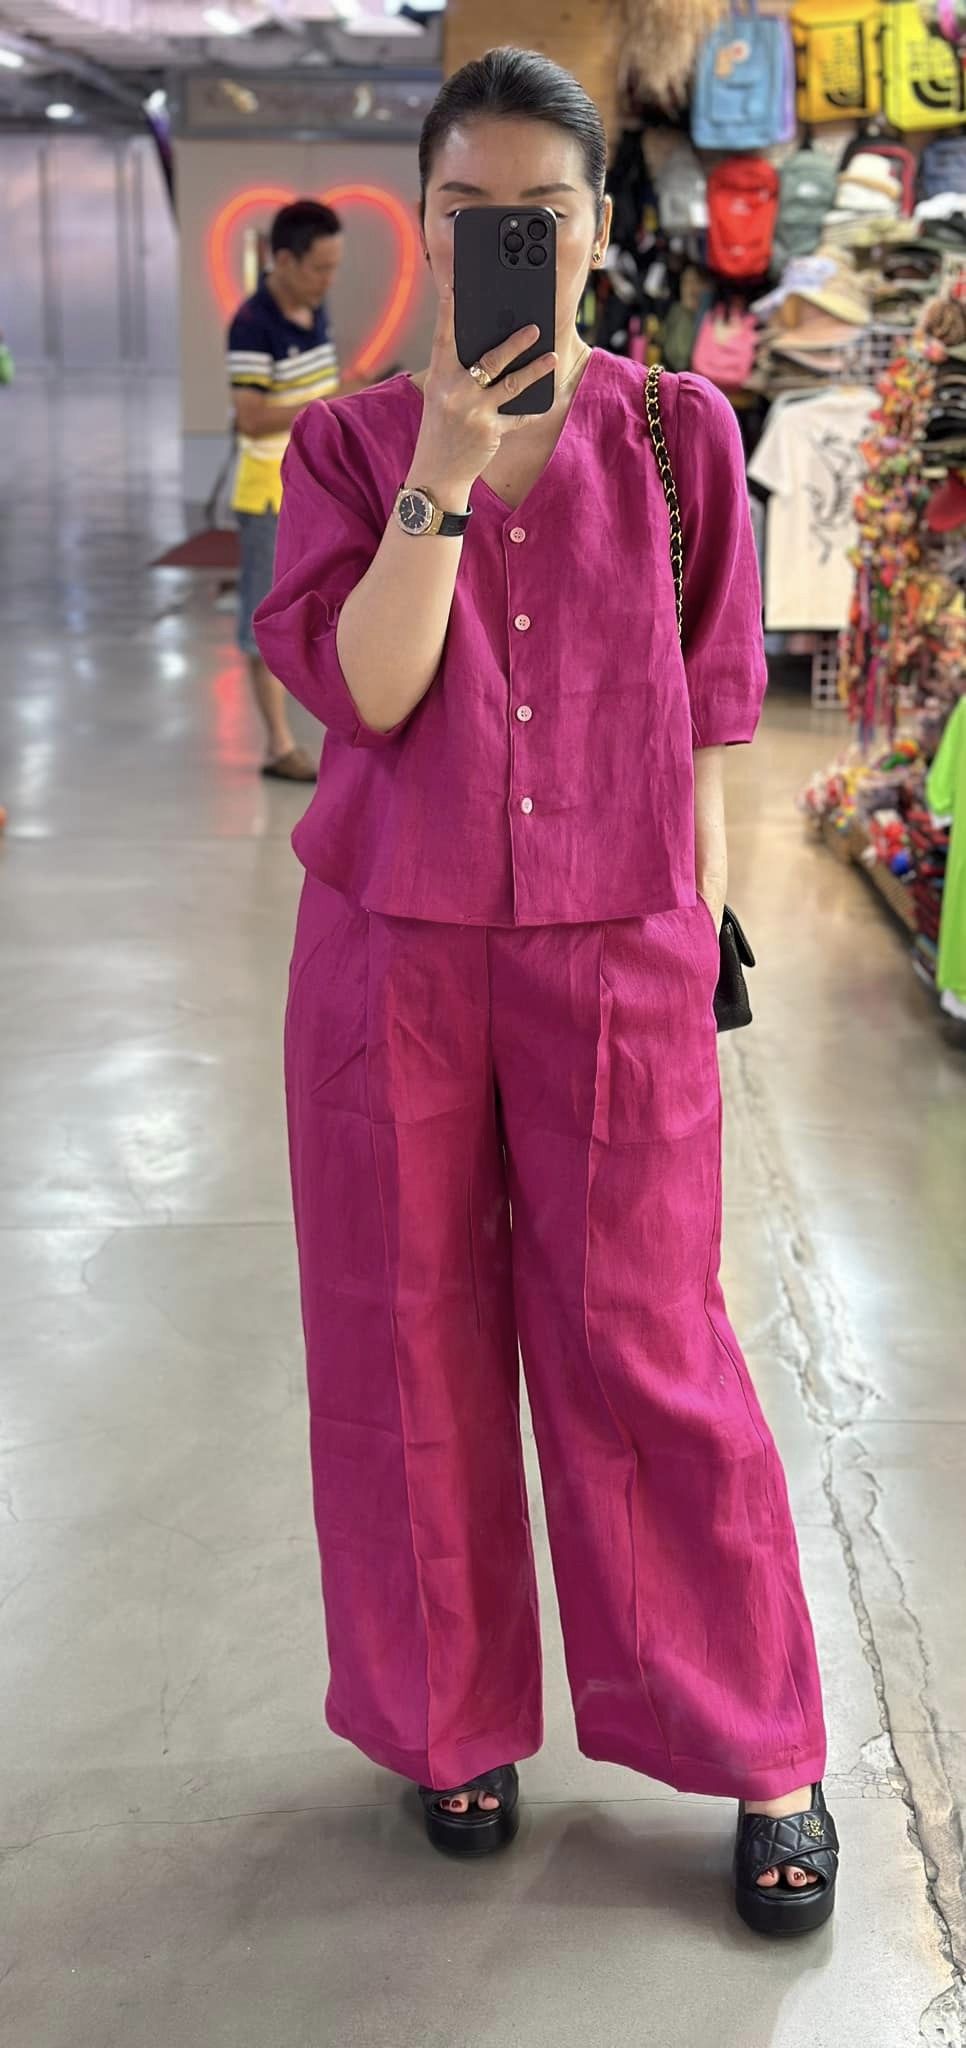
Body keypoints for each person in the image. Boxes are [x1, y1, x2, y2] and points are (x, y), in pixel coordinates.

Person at [254, 48, 840, 1936]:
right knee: (399, 1341)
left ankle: (762, 1745)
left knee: (653, 1347)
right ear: (424, 231)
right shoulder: (349, 448)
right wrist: (439, 471)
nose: (508, 240)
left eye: (545, 213)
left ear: (596, 232)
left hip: (618, 955)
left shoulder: (679, 439)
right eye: (468, 213)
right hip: (391, 964)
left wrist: (702, 959)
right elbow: (372, 690)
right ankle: (451, 1720)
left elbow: (716, 734)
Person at [227, 199, 346, 781]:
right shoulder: (253, 325)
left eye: (333, 268)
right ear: (284, 260)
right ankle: (278, 746)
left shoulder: (315, 309)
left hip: (320, 485)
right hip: (269, 497)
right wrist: (331, 401)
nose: (327, 280)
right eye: (319, 268)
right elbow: (250, 419)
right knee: (266, 616)